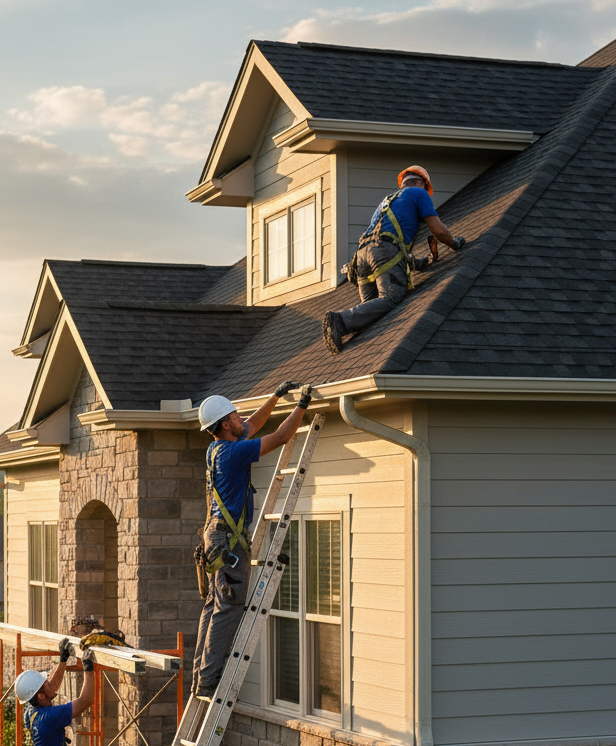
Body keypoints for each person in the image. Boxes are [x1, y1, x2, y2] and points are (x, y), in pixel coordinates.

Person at [192, 381, 313, 697]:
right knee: (228, 607)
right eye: (233, 414)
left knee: (213, 605)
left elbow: (252, 425)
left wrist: (275, 398)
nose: (239, 416)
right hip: (229, 542)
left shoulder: (215, 449)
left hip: (216, 536)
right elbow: (280, 437)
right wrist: (302, 404)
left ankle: (199, 677)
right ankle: (208, 681)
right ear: (223, 424)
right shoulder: (233, 452)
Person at [322, 165, 466, 354]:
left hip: (362, 257)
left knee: (373, 313)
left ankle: (346, 332)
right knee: (390, 298)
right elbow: (438, 231)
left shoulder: (387, 201)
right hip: (383, 252)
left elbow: (394, 250)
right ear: (421, 183)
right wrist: (454, 243)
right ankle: (339, 320)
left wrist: (422, 262)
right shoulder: (418, 193)